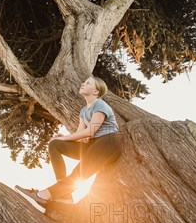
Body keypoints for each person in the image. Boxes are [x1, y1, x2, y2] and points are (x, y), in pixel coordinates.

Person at [15, 76, 121, 209]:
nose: (83, 83)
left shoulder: (100, 104)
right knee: (55, 145)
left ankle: (42, 196)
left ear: (95, 92)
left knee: (79, 173)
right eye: (84, 81)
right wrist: (63, 137)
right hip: (93, 145)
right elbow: (80, 135)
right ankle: (64, 195)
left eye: (88, 83)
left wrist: (64, 138)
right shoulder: (83, 111)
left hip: (108, 143)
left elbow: (90, 132)